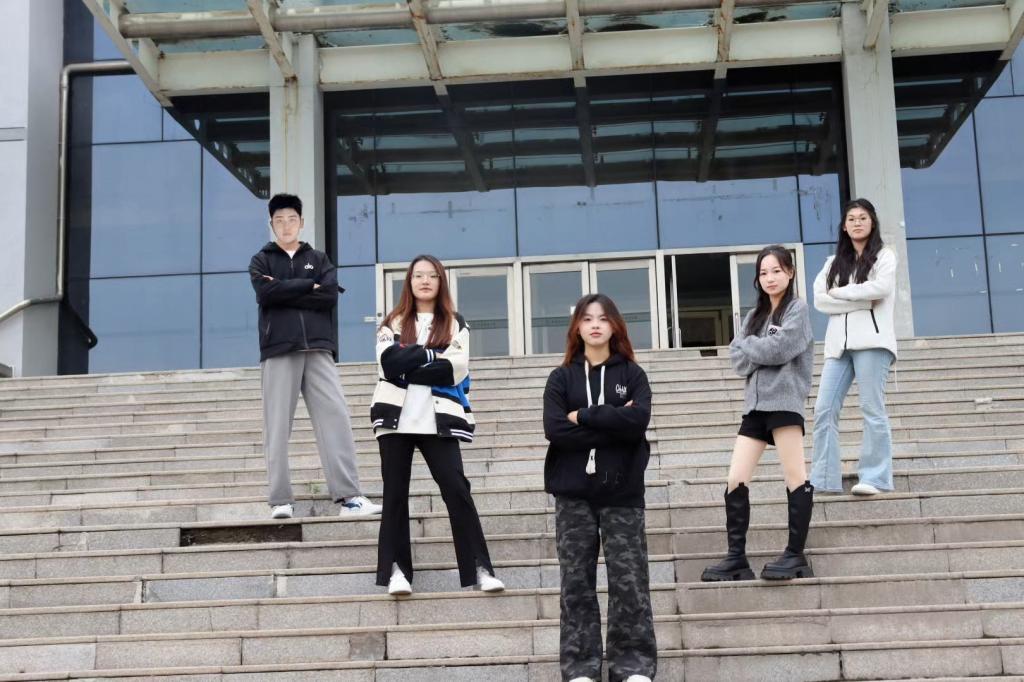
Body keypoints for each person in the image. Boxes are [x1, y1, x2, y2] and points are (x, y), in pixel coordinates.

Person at [370, 254, 504, 596]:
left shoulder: (456, 323)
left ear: (441, 281)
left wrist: (410, 361)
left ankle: (480, 568)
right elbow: (388, 364)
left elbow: (453, 370)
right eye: (418, 275)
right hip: (395, 420)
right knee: (394, 494)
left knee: (457, 490)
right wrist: (432, 353)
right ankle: (397, 571)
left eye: (432, 275)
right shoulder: (392, 323)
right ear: (409, 281)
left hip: (439, 419)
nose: (425, 280)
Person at [543, 293, 656, 682]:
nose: (595, 325)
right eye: (588, 318)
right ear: (577, 327)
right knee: (576, 582)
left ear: (615, 326)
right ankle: (580, 666)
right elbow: (556, 430)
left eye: (603, 318)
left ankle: (634, 665)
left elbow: (638, 423)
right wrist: (614, 423)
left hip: (623, 492)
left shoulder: (632, 375)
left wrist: (585, 416)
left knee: (630, 581)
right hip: (573, 494)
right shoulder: (561, 378)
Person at [248, 193, 381, 520]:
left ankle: (350, 498)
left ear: (302, 222)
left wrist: (288, 288)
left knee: (336, 418)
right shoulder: (261, 261)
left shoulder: (319, 259)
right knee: (277, 427)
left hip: (319, 348)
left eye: (292, 219)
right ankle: (280, 500)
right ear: (271, 224)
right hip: (279, 349)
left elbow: (329, 297)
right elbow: (266, 293)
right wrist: (309, 286)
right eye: (279, 220)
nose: (286, 226)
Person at [701, 245, 815, 582]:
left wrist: (747, 344)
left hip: (785, 402)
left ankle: (795, 555)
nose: (770, 278)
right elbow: (737, 361)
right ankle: (736, 558)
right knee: (735, 478)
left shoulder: (797, 309)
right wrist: (755, 348)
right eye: (764, 273)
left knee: (795, 477)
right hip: (754, 406)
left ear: (790, 272)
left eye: (776, 270)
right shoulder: (753, 316)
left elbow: (780, 349)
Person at [811, 198, 898, 496]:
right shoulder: (832, 263)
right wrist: (861, 300)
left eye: (862, 217)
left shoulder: (884, 256)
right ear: (844, 227)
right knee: (823, 409)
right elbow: (820, 300)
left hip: (873, 342)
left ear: (872, 222)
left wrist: (842, 293)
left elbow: (881, 289)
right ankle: (824, 478)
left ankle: (875, 477)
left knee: (872, 408)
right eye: (851, 218)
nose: (857, 222)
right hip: (838, 346)